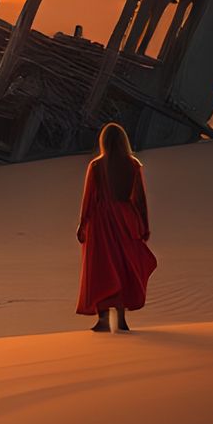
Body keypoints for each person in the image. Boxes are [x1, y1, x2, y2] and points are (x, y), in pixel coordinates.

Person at [76, 120, 156, 332]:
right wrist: (144, 226)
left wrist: (82, 223)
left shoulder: (96, 165)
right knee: (122, 266)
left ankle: (103, 320)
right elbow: (140, 200)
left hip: (101, 221)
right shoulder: (133, 164)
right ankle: (120, 319)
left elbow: (89, 199)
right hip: (125, 219)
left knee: (102, 267)